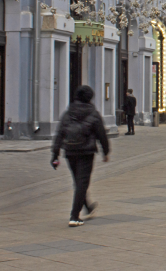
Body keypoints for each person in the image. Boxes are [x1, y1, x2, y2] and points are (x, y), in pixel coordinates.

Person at [51, 85, 110, 227]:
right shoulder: (93, 113)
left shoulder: (68, 113)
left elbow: (60, 133)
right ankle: (74, 216)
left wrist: (55, 154)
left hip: (70, 151)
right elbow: (101, 134)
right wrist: (105, 152)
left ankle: (88, 207)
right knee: (82, 183)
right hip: (86, 152)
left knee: (78, 182)